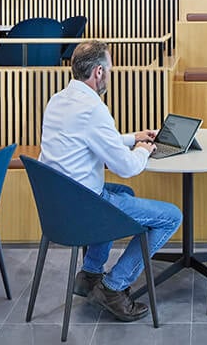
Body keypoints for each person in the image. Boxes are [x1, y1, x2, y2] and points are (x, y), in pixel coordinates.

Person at [39, 40, 182, 320]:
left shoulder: (59, 100)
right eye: (110, 69)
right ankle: (113, 288)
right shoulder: (94, 109)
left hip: (57, 206)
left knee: (123, 192)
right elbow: (127, 167)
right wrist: (143, 150)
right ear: (99, 73)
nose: (110, 74)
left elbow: (88, 139)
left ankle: (90, 273)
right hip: (84, 208)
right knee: (171, 216)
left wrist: (134, 137)